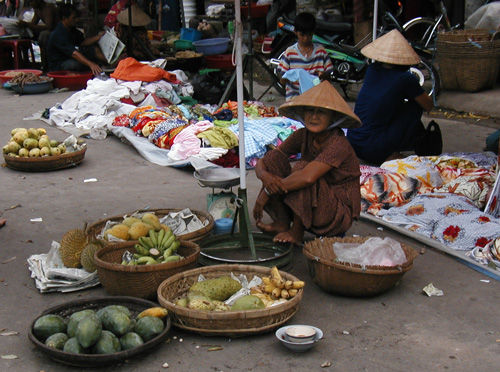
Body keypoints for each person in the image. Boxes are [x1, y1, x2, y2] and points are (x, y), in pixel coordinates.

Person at [253, 81, 362, 245]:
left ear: (333, 117)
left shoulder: (338, 143)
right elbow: (268, 159)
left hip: (336, 214)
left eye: (322, 112)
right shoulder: (303, 135)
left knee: (302, 168)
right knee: (273, 159)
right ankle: (283, 222)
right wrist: (265, 176)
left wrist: (268, 192)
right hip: (312, 203)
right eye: (310, 110)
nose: (314, 116)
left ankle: (297, 231)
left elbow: (307, 178)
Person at [346, 29, 434, 165]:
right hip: (374, 148)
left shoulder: (372, 69)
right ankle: (390, 152)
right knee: (415, 105)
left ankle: (389, 148)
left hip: (353, 143)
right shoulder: (405, 79)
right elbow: (428, 105)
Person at [277, 12, 334, 101]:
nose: (306, 38)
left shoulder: (321, 52)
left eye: (309, 34)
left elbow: (329, 77)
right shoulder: (290, 52)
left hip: (316, 98)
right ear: (295, 32)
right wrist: (291, 76)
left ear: (313, 32)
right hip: (295, 98)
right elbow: (282, 79)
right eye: (302, 35)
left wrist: (322, 76)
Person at [46, 3, 107, 75]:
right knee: (76, 64)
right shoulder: (59, 33)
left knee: (94, 50)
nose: (77, 20)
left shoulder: (71, 29)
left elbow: (83, 42)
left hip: (70, 57)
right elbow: (74, 53)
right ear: (64, 18)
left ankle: (111, 63)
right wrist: (91, 64)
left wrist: (99, 36)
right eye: (73, 18)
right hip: (60, 64)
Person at [16, 0, 58, 71]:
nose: (30, 3)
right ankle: (26, 62)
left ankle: (44, 65)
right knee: (25, 36)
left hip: (56, 32)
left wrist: (28, 25)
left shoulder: (48, 8)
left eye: (31, 1)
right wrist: (25, 25)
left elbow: (49, 27)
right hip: (48, 31)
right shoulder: (38, 9)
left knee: (43, 35)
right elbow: (33, 24)